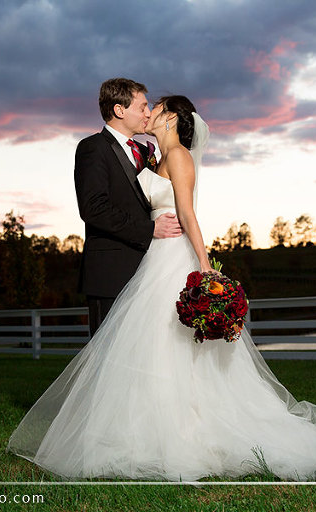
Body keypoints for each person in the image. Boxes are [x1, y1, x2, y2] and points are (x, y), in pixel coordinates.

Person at [7, 94, 316, 481]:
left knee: (174, 348)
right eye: (144, 106)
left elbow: (186, 213)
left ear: (171, 118)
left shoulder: (179, 156)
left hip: (173, 258)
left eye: (156, 107)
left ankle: (189, 434)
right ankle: (144, 429)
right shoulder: (155, 157)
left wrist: (203, 266)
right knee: (151, 346)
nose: (148, 113)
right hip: (151, 259)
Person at [74, 78, 183, 336]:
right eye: (143, 106)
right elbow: (93, 208)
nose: (148, 113)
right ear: (119, 110)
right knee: (108, 360)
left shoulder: (147, 152)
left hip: (150, 272)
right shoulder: (92, 148)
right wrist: (150, 229)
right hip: (111, 274)